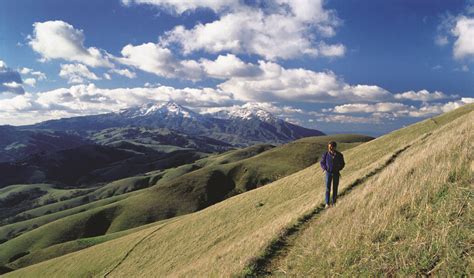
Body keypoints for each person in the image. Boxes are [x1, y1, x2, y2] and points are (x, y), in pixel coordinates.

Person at [320, 141, 345, 208]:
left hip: (336, 173)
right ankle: (327, 203)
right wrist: (325, 168)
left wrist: (339, 168)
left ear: (334, 147)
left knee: (335, 188)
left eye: (331, 147)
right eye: (329, 147)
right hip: (328, 173)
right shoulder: (325, 154)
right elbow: (322, 163)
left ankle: (334, 202)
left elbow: (343, 164)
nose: (330, 148)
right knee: (328, 188)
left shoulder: (339, 155)